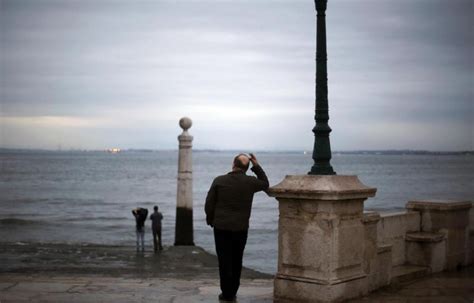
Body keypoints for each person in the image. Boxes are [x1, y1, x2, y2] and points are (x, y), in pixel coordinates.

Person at [205, 153, 269, 302]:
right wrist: (257, 166)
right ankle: (232, 291)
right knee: (236, 260)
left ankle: (226, 292)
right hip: (240, 228)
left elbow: (209, 204)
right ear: (247, 168)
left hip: (221, 228)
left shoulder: (219, 180)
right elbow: (265, 184)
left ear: (233, 164)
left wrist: (211, 220)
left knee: (224, 260)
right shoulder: (250, 182)